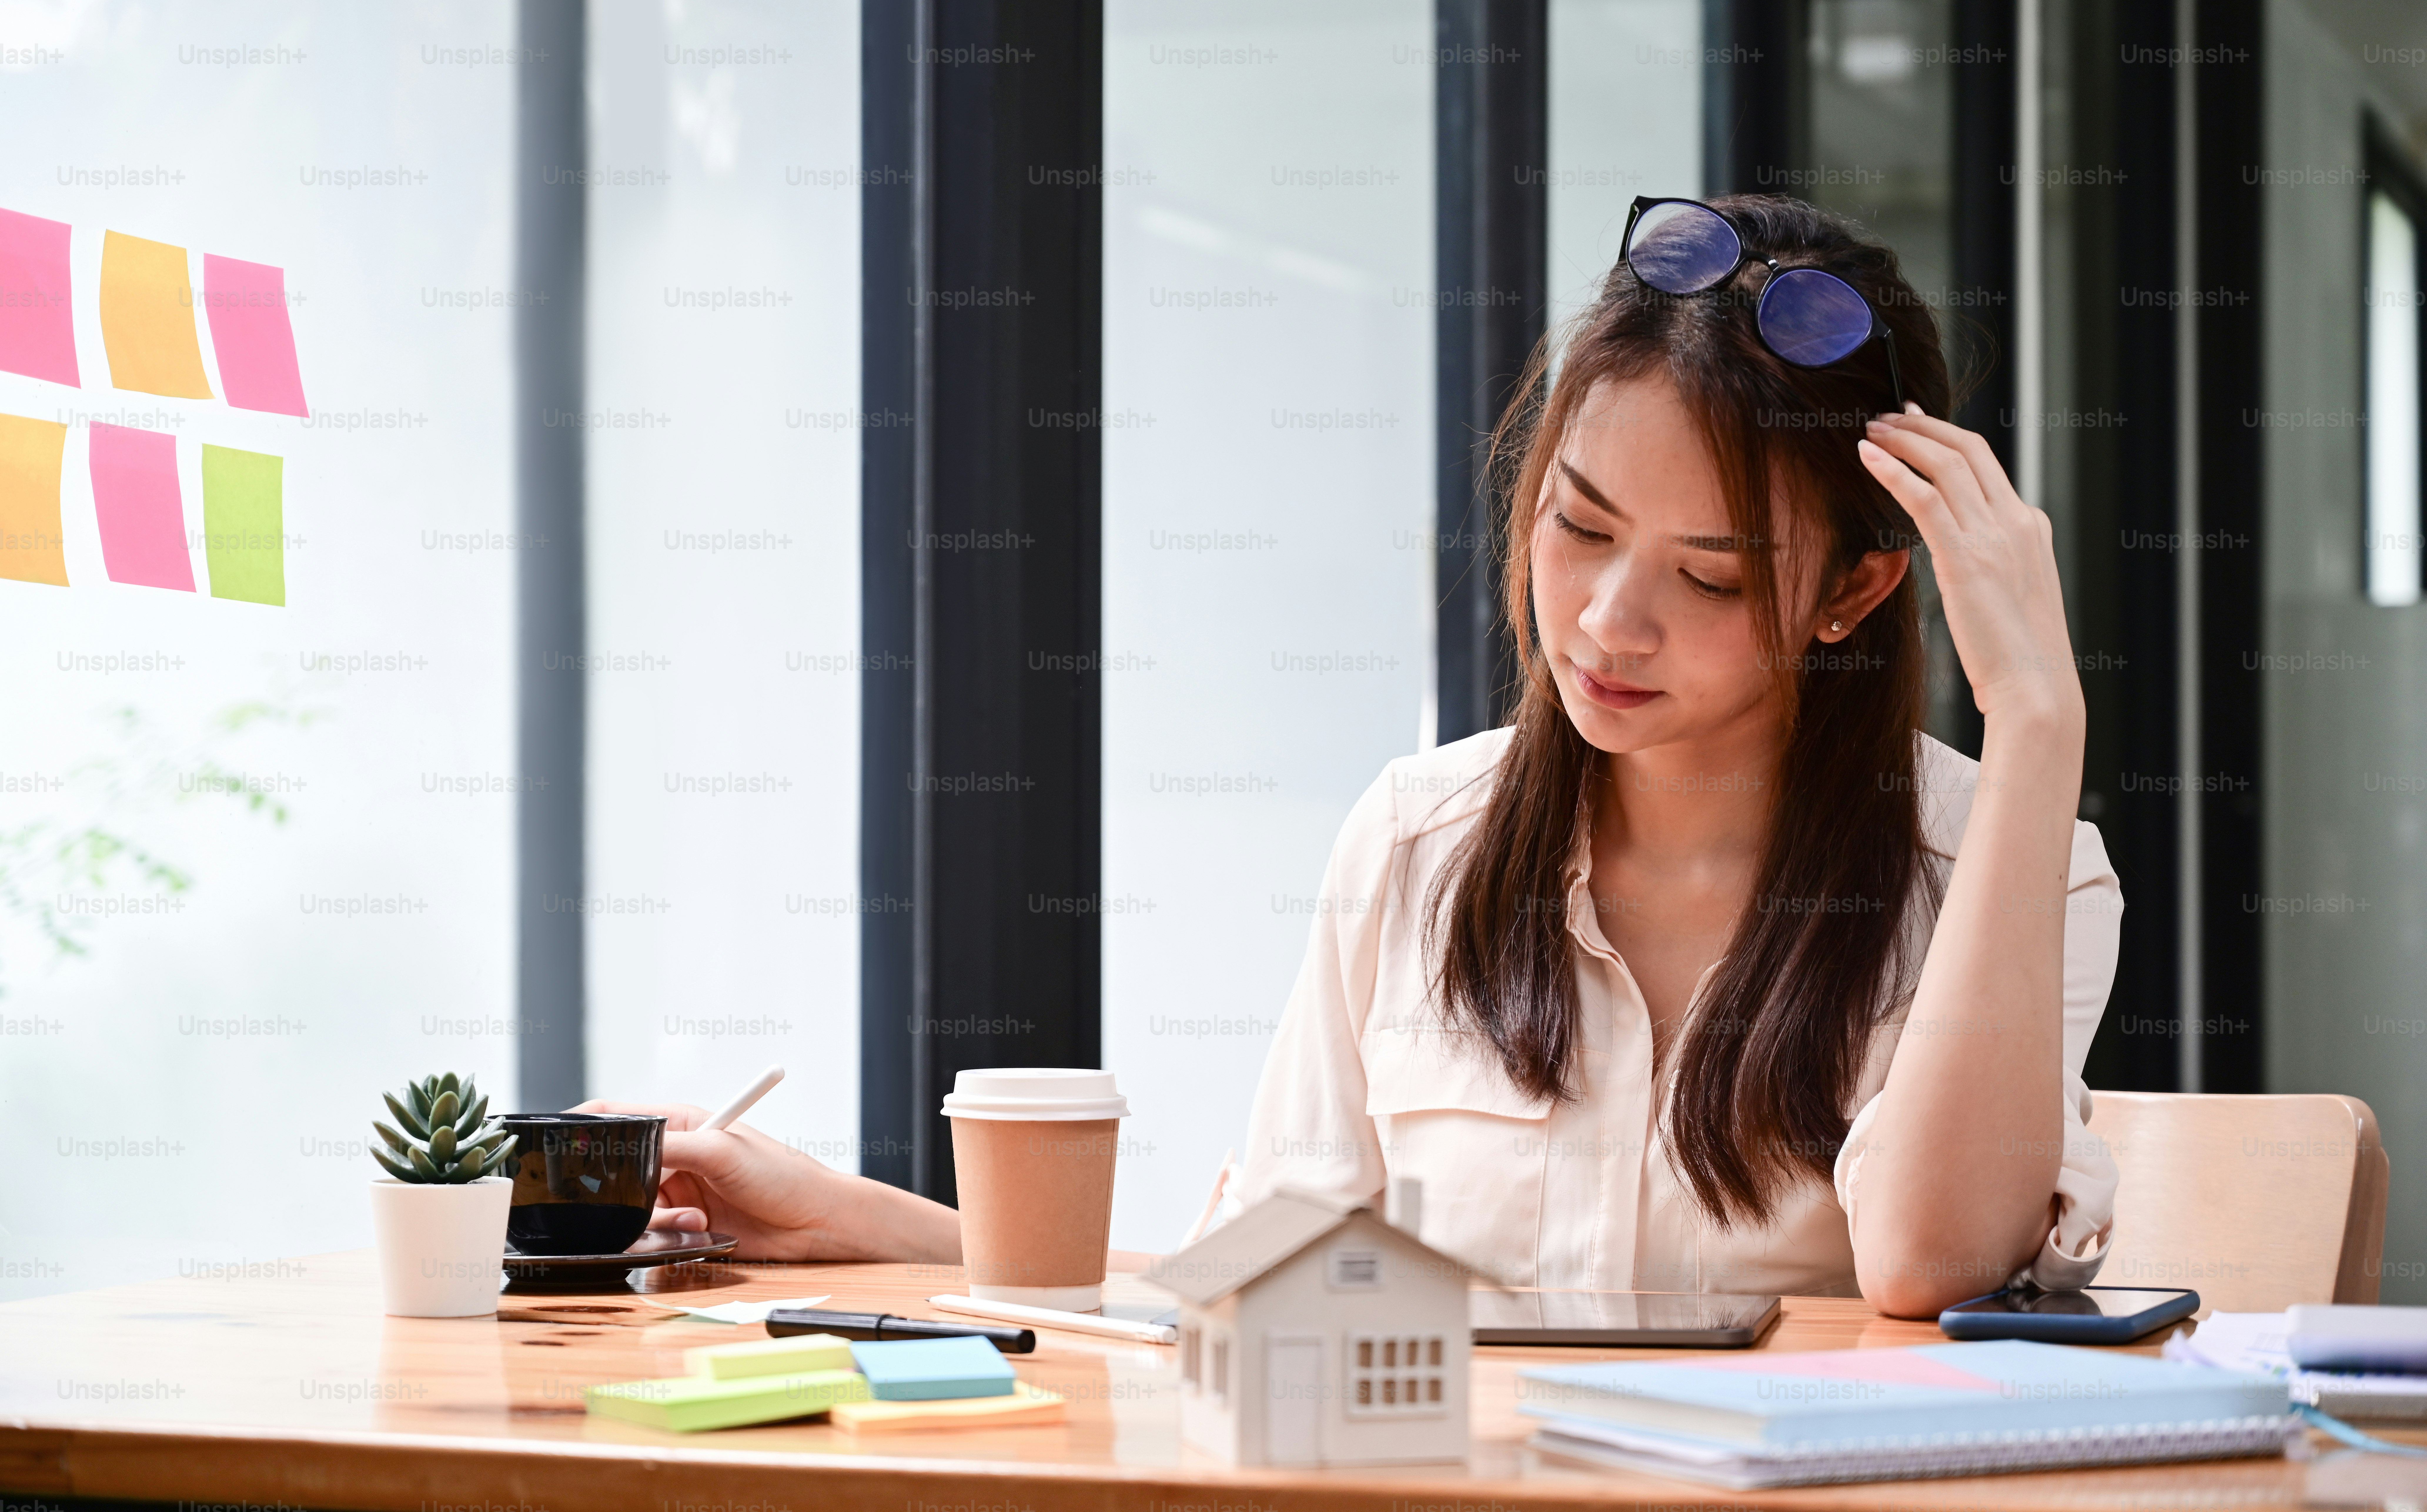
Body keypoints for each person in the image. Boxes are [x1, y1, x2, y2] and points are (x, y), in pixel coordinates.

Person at [583, 194, 2117, 1318]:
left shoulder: (1993, 868)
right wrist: (856, 1220)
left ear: (1853, 593)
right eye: (1578, 523)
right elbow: (1266, 1281)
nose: (1604, 618)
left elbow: (1931, 1262)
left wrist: (2038, 720)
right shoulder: (1420, 839)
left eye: (1709, 578)